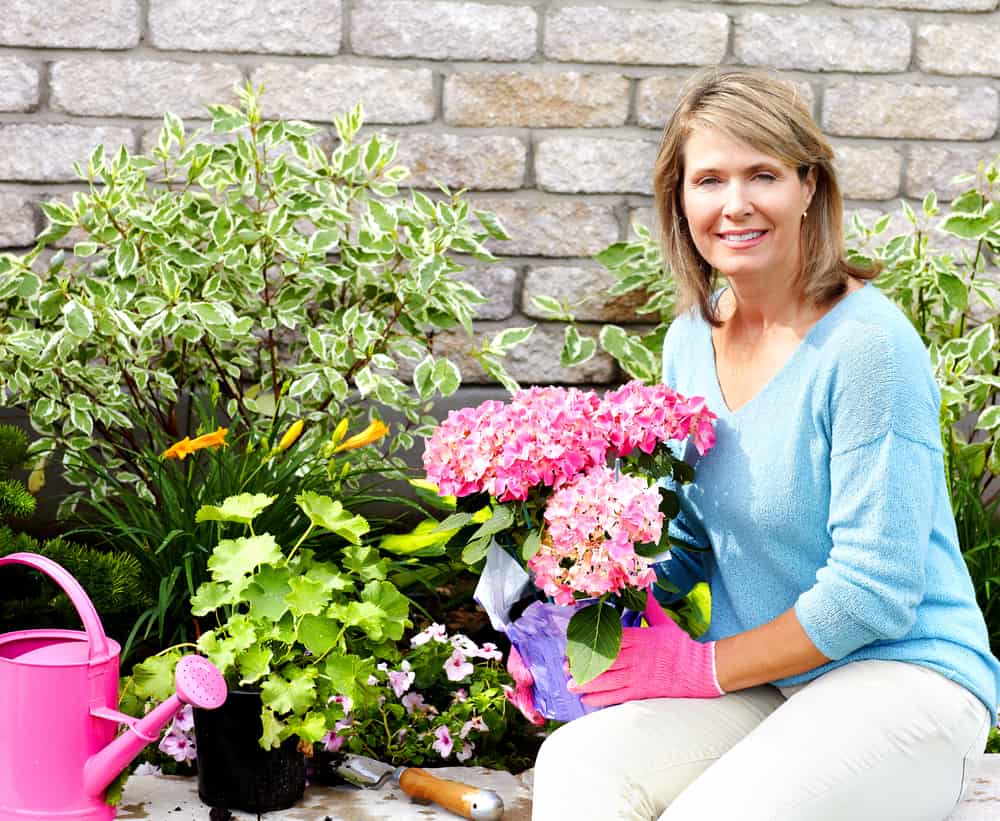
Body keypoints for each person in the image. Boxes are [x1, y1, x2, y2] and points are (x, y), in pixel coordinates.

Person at [530, 68, 1000, 821]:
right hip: (770, 682)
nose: (735, 204)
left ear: (810, 186)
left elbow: (872, 593)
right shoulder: (691, 340)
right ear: (680, 199)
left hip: (905, 679)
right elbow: (685, 539)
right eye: (709, 179)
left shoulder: (868, 349)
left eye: (763, 175)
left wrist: (697, 663)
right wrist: (574, 641)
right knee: (578, 764)